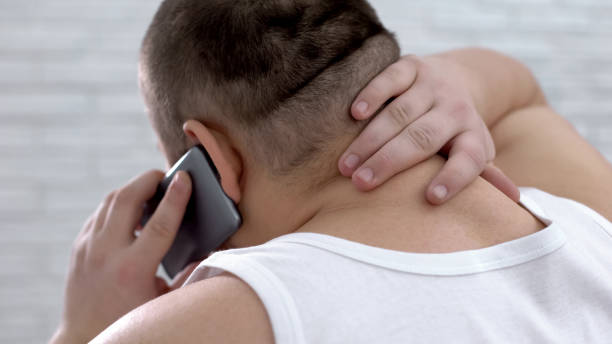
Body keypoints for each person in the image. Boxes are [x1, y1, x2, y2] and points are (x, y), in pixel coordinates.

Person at [50, 0, 612, 343]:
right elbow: (521, 94)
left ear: (209, 157)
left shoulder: (212, 322)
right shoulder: (588, 223)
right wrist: (451, 75)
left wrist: (83, 330)